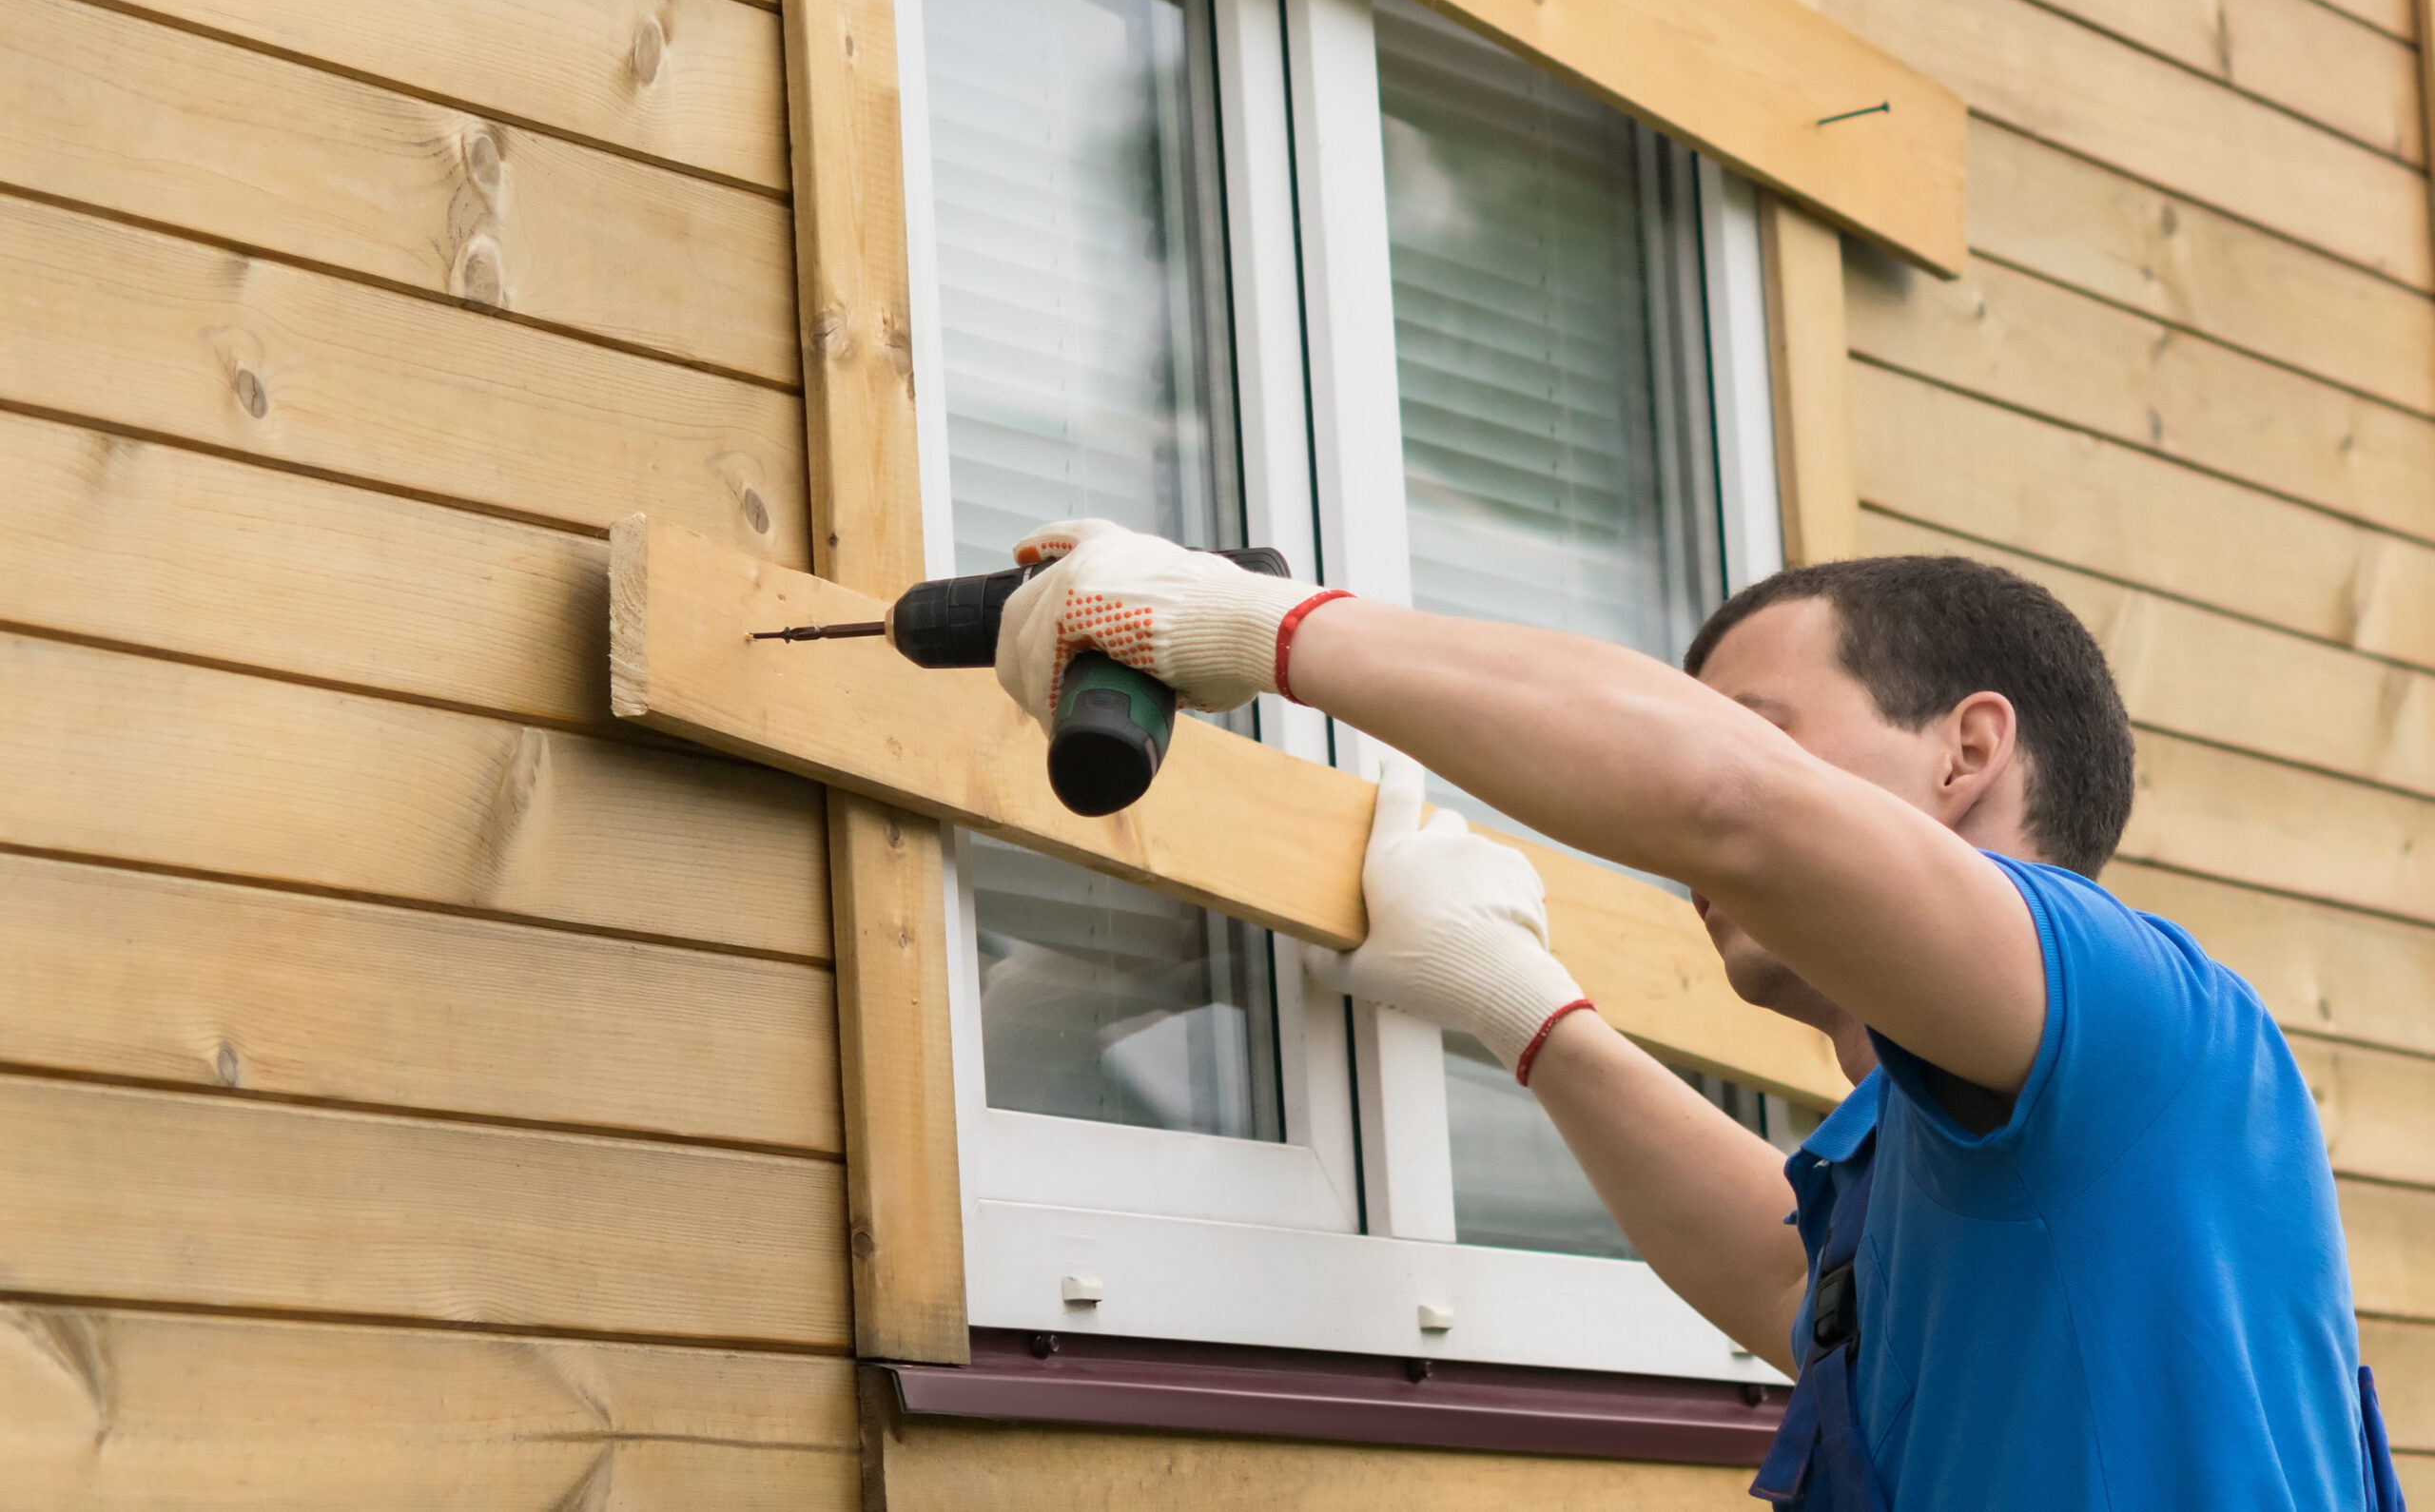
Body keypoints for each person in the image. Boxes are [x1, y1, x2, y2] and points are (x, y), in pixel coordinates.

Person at [988, 518, 2408, 1510]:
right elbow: (1794, 1286)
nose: (1691, 800)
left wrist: (1253, 625)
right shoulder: (1923, 1164)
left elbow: (1730, 809)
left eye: (1761, 719)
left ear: (1970, 751)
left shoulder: (2137, 1018)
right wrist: (1521, 1001)